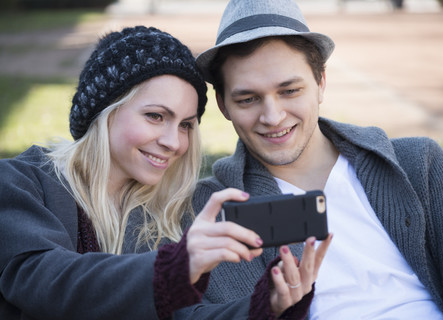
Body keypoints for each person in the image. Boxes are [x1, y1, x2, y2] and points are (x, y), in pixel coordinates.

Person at [0, 26, 331, 320]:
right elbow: (38, 279)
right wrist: (178, 264)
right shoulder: (21, 183)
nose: (174, 142)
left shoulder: (163, 216)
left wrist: (267, 307)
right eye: (156, 116)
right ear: (105, 111)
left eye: (186, 124)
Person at [175, 0, 443, 319]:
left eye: (290, 91)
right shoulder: (209, 211)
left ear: (321, 82)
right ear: (223, 105)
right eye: (248, 99)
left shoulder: (419, 162)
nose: (273, 116)